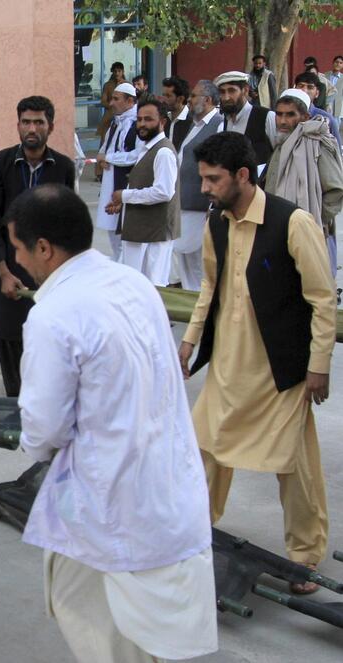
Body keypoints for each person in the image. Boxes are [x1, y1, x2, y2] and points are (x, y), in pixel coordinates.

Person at [10, 183, 217, 663]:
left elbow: (43, 430)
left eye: (19, 249)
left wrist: (35, 444)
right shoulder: (133, 283)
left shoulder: (53, 315)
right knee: (84, 595)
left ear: (44, 248)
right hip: (166, 483)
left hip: (112, 498)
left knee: (110, 632)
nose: (18, 261)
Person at [179, 131, 336, 595]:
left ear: (243, 176)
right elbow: (210, 287)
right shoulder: (218, 223)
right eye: (203, 178)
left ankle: (305, 559)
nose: (204, 188)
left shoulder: (294, 222)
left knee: (295, 466)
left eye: (213, 179)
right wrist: (190, 341)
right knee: (204, 451)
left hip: (279, 372)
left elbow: (323, 300)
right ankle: (194, 536)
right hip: (228, 368)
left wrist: (319, 365)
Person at [0, 95, 75, 396]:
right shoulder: (0, 164)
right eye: (26, 122)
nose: (31, 128)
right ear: (18, 125)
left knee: (48, 364)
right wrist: (3, 272)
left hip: (49, 281)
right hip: (8, 276)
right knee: (14, 366)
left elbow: (66, 226)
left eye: (38, 122)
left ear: (51, 126)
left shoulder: (62, 168)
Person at [265, 89, 343, 277]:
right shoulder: (281, 143)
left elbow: (336, 190)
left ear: (305, 116)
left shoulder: (317, 143)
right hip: (278, 230)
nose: (283, 121)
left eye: (290, 115)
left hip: (307, 232)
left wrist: (315, 220)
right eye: (279, 114)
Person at [106, 98, 180, 286]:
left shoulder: (163, 152)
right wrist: (123, 201)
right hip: (141, 231)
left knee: (152, 288)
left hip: (154, 234)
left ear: (162, 122)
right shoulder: (148, 148)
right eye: (139, 119)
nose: (142, 124)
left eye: (148, 119)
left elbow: (163, 192)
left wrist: (125, 195)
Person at [174, 80, 222, 291]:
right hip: (183, 200)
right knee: (185, 257)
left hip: (199, 203)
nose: (190, 101)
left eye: (194, 96)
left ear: (208, 100)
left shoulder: (218, 124)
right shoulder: (193, 125)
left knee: (198, 259)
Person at [95, 82, 139, 260]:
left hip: (125, 182)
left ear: (129, 101)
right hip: (109, 181)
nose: (111, 103)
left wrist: (109, 159)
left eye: (116, 99)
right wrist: (102, 157)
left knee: (124, 232)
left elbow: (136, 155)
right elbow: (105, 148)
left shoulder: (138, 123)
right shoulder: (116, 122)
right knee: (111, 229)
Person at [215, 70, 278, 167]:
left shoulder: (266, 117)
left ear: (245, 90)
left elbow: (278, 154)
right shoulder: (224, 122)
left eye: (232, 91)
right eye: (222, 92)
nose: (226, 98)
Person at [294, 71, 342, 146]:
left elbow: (337, 151)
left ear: (317, 94)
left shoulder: (327, 119)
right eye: (301, 86)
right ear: (294, 88)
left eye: (310, 87)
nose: (304, 90)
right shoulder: (283, 113)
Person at [97, 62, 127, 145]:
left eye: (119, 71)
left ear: (123, 72)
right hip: (110, 115)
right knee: (105, 141)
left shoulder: (127, 85)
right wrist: (113, 105)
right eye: (115, 71)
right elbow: (103, 101)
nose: (117, 73)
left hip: (124, 116)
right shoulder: (107, 85)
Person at [161, 76, 191, 150]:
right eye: (163, 95)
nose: (163, 100)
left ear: (180, 99)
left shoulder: (192, 122)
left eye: (168, 96)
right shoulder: (163, 119)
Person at [326, 55, 343, 124]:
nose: (338, 64)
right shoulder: (326, 75)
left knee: (335, 130)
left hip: (338, 108)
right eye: (336, 62)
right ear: (333, 63)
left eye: (340, 63)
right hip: (326, 106)